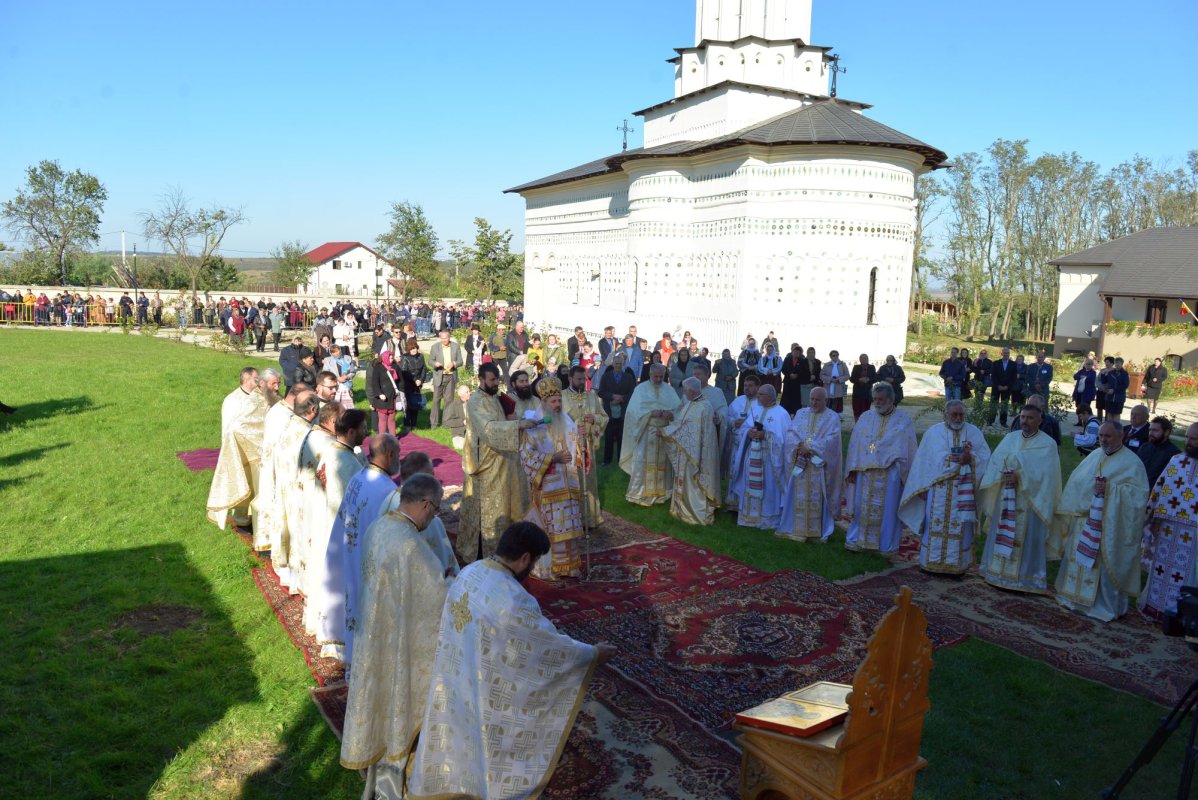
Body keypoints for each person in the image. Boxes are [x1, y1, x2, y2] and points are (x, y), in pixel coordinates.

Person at [407, 521, 614, 799]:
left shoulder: (470, 571)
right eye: (535, 561)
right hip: (483, 688)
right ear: (525, 559)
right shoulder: (514, 599)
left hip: (457, 676)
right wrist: (593, 653)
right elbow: (547, 648)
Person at [339, 474, 455, 798]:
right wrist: (453, 585)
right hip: (397, 644)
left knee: (381, 710)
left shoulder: (379, 528)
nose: (434, 518)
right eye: (435, 510)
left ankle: (379, 784)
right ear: (425, 504)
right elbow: (435, 598)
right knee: (398, 712)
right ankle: (394, 787)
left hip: (374, 637)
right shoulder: (409, 544)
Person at [1050, 421, 1149, 622]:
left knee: (1101, 566)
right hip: (1085, 521)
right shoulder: (1094, 455)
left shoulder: (1132, 463)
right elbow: (1077, 482)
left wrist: (1110, 490)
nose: (1103, 439)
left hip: (1108, 525)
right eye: (1101, 435)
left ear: (1121, 437)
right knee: (1077, 558)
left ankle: (1100, 605)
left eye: (1108, 436)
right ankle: (1073, 598)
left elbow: (1137, 498)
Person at [327, 433, 402, 669]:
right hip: (370, 563)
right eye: (397, 454)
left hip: (352, 553)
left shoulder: (359, 476)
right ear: (390, 455)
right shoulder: (387, 491)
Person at [899, 401, 991, 575]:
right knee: (935, 524)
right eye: (954, 414)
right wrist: (923, 488)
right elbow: (924, 462)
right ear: (945, 415)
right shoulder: (933, 433)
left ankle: (957, 567)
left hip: (963, 490)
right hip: (937, 491)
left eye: (961, 415)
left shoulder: (974, 433)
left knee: (960, 525)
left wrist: (970, 459)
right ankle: (931, 563)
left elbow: (985, 458)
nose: (958, 418)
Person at [978, 404, 1061, 594]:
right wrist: (1003, 474)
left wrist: (1021, 477)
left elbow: (1047, 476)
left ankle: (1024, 579)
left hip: (1029, 500)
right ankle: (996, 572)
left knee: (1027, 538)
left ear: (1040, 420)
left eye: (1030, 418)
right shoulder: (1010, 438)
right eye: (1023, 417)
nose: (1025, 421)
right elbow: (997, 462)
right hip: (1006, 495)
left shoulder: (1047, 444)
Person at [459, 363, 536, 563]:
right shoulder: (476, 401)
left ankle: (508, 545)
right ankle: (483, 550)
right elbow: (488, 429)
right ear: (481, 380)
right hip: (485, 463)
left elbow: (504, 420)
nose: (496, 383)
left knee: (507, 503)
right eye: (492, 380)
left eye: (497, 379)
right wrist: (517, 425)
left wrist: (515, 419)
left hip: (503, 459)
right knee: (488, 508)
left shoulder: (495, 397)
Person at [311, 409, 369, 657]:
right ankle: (343, 640)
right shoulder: (344, 462)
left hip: (328, 524)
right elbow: (351, 503)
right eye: (365, 428)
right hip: (344, 533)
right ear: (353, 431)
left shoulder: (334, 451)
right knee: (346, 585)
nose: (368, 432)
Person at [519, 376, 587, 579]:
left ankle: (570, 566)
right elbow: (525, 456)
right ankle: (548, 569)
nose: (557, 405)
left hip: (569, 484)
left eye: (559, 401)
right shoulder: (534, 425)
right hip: (548, 488)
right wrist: (552, 458)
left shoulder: (567, 422)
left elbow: (577, 451)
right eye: (553, 401)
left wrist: (582, 437)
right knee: (552, 528)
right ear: (544, 403)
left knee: (570, 525)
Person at [842, 383, 917, 554]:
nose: (877, 403)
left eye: (881, 399)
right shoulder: (866, 417)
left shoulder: (903, 420)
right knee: (862, 508)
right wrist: (853, 468)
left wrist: (901, 470)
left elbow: (908, 449)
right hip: (865, 473)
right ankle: (858, 540)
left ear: (891, 400)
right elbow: (855, 444)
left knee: (888, 511)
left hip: (890, 474)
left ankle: (885, 545)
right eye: (875, 399)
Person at [1140, 423, 1198, 622]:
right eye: (1188, 438)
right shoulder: (1176, 462)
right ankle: (1156, 608)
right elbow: (1158, 492)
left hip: (1193, 534)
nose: (1189, 442)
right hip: (1167, 530)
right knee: (1162, 570)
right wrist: (1152, 519)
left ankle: (1184, 616)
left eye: (1194, 439)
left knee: (1187, 574)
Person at [267, 391, 319, 592]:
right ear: (313, 409)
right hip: (299, 493)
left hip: (284, 488)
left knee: (285, 528)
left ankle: (286, 573)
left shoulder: (288, 425)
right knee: (298, 534)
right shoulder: (309, 436)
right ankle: (299, 581)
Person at [777, 386, 842, 542]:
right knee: (797, 495)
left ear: (825, 400)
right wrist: (799, 446)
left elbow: (833, 440)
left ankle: (816, 531)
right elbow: (791, 433)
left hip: (818, 467)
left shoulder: (832, 417)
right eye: (811, 399)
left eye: (817, 400)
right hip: (800, 463)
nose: (813, 402)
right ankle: (795, 528)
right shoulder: (801, 413)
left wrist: (811, 448)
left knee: (817, 497)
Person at [207, 371, 268, 531]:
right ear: (247, 380)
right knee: (241, 481)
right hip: (237, 448)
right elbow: (229, 428)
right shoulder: (232, 400)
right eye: (257, 378)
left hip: (255, 447)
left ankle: (252, 516)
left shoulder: (259, 396)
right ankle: (241, 518)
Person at [727, 384, 790, 529]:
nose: (758, 397)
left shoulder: (781, 414)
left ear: (769, 397)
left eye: (760, 394)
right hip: (752, 457)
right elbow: (743, 429)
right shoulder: (755, 409)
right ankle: (748, 516)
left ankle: (767, 519)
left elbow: (785, 441)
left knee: (768, 486)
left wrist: (765, 435)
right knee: (749, 483)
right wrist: (749, 433)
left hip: (770, 461)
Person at [660, 378, 721, 526]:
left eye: (685, 390)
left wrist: (665, 432)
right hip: (687, 450)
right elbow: (682, 423)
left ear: (692, 391)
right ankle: (681, 509)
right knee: (684, 479)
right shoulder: (693, 403)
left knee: (693, 481)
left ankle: (695, 513)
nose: (683, 392)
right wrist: (669, 427)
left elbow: (689, 430)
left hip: (696, 453)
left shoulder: (703, 407)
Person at [620, 364, 681, 506]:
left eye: (661, 376)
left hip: (664, 433)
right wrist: (650, 413)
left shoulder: (669, 390)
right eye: (656, 376)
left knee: (664, 464)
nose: (659, 379)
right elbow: (632, 412)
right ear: (650, 375)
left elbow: (678, 410)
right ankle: (637, 493)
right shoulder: (640, 389)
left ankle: (663, 492)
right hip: (646, 432)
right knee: (642, 463)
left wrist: (670, 415)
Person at [561, 365, 608, 528]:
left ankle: (590, 518)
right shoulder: (561, 397)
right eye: (579, 379)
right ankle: (572, 520)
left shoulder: (591, 397)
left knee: (588, 481)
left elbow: (604, 417)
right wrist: (574, 428)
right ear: (570, 379)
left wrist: (594, 419)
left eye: (584, 379)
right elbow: (556, 422)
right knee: (572, 482)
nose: (582, 382)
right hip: (569, 448)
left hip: (587, 446)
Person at [596, 352, 637, 467]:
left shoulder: (628, 377)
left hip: (623, 411)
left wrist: (622, 399)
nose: (618, 365)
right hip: (609, 410)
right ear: (612, 364)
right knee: (609, 436)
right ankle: (606, 460)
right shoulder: (606, 376)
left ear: (623, 364)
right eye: (616, 363)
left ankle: (621, 460)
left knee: (621, 437)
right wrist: (612, 397)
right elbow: (601, 392)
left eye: (620, 363)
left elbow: (633, 392)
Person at [428, 328, 463, 428]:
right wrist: (435, 363)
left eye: (446, 338)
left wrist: (454, 363)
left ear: (449, 337)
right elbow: (430, 361)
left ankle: (446, 423)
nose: (444, 340)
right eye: (442, 338)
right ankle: (434, 423)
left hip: (451, 376)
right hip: (439, 376)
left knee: (449, 401)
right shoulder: (435, 347)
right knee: (436, 400)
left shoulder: (455, 347)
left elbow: (460, 361)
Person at [367, 349, 403, 436]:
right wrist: (379, 394)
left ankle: (393, 438)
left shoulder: (395, 367)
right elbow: (375, 383)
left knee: (391, 419)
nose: (391, 359)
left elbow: (401, 381)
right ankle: (382, 437)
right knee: (382, 419)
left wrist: (401, 392)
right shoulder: (378, 367)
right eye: (390, 358)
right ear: (384, 358)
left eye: (392, 358)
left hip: (392, 397)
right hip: (382, 399)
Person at [1137, 415, 1180, 487]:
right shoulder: (1144, 447)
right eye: (1150, 430)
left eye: (1155, 430)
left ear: (1166, 432)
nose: (1150, 433)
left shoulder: (1175, 454)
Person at [399, 339, 429, 430]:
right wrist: (414, 380)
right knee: (408, 405)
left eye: (415, 348)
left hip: (418, 384)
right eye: (412, 349)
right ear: (408, 349)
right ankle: (407, 424)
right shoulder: (405, 357)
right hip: (408, 384)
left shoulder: (421, 356)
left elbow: (424, 369)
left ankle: (414, 424)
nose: (414, 350)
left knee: (416, 404)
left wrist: (421, 380)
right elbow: (404, 372)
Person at [221, 366, 260, 435]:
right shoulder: (233, 400)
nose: (259, 382)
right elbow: (232, 426)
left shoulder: (257, 395)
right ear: (246, 381)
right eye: (256, 380)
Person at [780, 343, 809, 415]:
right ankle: (785, 413)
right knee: (786, 399)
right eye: (795, 351)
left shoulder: (803, 361)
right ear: (792, 351)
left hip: (797, 383)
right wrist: (789, 374)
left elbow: (805, 371)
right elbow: (783, 369)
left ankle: (795, 414)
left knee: (796, 400)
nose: (796, 353)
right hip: (788, 382)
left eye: (798, 352)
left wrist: (797, 375)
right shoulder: (787, 359)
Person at [849, 353, 877, 420]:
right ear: (860, 360)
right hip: (857, 392)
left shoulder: (872, 367)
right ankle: (857, 426)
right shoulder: (856, 367)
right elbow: (852, 379)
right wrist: (859, 379)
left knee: (866, 410)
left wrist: (868, 379)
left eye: (866, 358)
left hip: (867, 392)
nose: (865, 360)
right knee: (856, 410)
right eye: (863, 358)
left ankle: (865, 426)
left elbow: (875, 378)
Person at [443, 384, 470, 449]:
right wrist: (462, 422)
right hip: (459, 434)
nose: (470, 393)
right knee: (463, 446)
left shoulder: (472, 403)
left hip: (473, 433)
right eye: (467, 392)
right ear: (461, 394)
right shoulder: (454, 405)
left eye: (469, 391)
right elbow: (446, 422)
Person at [1105, 357, 1130, 425]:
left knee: (1116, 414)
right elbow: (1105, 381)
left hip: (1119, 397)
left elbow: (1125, 385)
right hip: (1110, 397)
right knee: (1109, 413)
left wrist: (1114, 390)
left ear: (1122, 364)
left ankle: (1115, 429)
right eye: (1116, 363)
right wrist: (1103, 374)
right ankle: (1109, 427)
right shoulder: (1110, 372)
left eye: (1119, 363)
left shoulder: (1124, 374)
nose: (1117, 364)